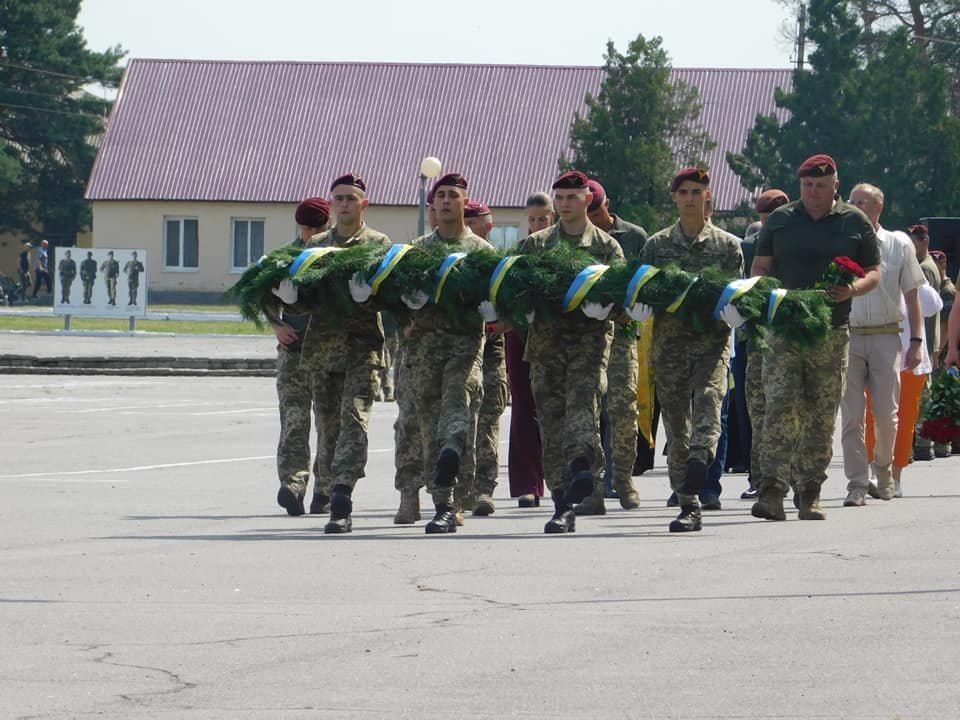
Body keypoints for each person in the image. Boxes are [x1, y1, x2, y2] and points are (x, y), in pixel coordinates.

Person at [748, 154, 881, 522]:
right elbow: (760, 268)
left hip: (830, 332)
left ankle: (810, 492)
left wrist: (852, 289)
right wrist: (766, 292)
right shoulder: (781, 219)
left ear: (835, 186)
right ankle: (771, 491)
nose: (814, 192)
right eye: (808, 185)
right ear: (799, 186)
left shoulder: (854, 222)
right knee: (778, 408)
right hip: (785, 330)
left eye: (821, 185)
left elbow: (874, 272)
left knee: (821, 414)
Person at [516, 170, 624, 534]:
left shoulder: (606, 247)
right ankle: (562, 502)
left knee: (583, 413)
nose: (564, 204)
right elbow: (515, 288)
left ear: (587, 200)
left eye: (572, 198)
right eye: (559, 198)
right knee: (551, 426)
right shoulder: (536, 245)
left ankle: (582, 468)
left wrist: (608, 308)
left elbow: (622, 294)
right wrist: (523, 310)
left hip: (588, 346)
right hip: (546, 348)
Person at [639, 168, 743, 532]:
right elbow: (644, 288)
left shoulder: (727, 245)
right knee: (676, 425)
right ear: (674, 197)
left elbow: (736, 291)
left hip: (711, 344)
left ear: (707, 196)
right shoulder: (656, 245)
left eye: (696, 191)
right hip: (669, 348)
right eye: (683, 191)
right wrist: (641, 306)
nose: (689, 198)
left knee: (711, 405)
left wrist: (737, 311)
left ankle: (701, 462)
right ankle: (687, 503)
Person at [400, 172, 493, 534]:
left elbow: (497, 292)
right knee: (428, 426)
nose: (445, 201)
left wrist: (493, 309)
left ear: (464, 202)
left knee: (457, 406)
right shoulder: (418, 248)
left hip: (464, 345)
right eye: (440, 196)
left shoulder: (481, 251)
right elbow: (397, 294)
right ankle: (444, 505)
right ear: (433, 204)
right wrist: (406, 307)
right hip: (423, 351)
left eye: (453, 196)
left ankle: (451, 471)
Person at [301, 172, 393, 534]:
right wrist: (292, 296)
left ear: (363, 204)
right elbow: (303, 291)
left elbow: (391, 294)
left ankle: (342, 495)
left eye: (350, 198)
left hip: (362, 348)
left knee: (354, 421)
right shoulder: (317, 244)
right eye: (338, 198)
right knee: (327, 429)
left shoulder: (378, 243)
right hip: (322, 351)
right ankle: (327, 485)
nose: (343, 204)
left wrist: (370, 295)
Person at [840, 183, 924, 506]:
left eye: (863, 202)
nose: (856, 206)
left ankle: (884, 469)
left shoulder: (898, 243)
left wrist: (916, 341)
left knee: (887, 414)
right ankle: (858, 482)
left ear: (879, 207)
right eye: (852, 201)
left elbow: (913, 295)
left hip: (887, 335)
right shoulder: (840, 242)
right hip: (849, 335)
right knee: (852, 416)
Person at [575, 178, 647, 514]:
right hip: (586, 337)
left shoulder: (633, 237)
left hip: (622, 334)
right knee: (588, 412)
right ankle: (593, 485)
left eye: (595, 210)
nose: (590, 217)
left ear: (606, 205)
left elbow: (641, 283)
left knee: (622, 410)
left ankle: (623, 479)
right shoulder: (572, 238)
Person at [268, 196, 333, 517]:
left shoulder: (336, 255)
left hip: (329, 350)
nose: (309, 234)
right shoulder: (285, 257)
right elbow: (259, 296)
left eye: (316, 228)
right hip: (293, 350)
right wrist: (278, 325)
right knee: (293, 420)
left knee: (328, 420)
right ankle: (293, 485)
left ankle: (325, 490)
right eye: (305, 228)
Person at [863, 283, 942, 498]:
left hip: (912, 362)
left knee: (905, 421)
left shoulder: (915, 282)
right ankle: (876, 473)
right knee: (874, 417)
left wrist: (917, 277)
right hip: (880, 359)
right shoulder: (876, 277)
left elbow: (935, 305)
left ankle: (895, 477)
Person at [738, 189, 789, 501]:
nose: (767, 225)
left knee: (789, 408)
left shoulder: (800, 242)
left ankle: (789, 473)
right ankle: (759, 477)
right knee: (757, 407)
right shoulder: (749, 246)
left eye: (772, 219)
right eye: (763, 220)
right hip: (758, 337)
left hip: (792, 335)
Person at [503, 193, 551, 508]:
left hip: (558, 338)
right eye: (531, 219)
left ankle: (568, 480)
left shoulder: (564, 250)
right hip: (521, 335)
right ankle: (527, 484)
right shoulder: (519, 254)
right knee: (523, 407)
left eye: (542, 219)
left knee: (558, 408)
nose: (536, 226)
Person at [461, 200, 508, 517]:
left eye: (472, 220)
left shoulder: (498, 262)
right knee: (461, 421)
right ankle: (460, 487)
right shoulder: (452, 259)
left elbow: (515, 309)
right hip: (460, 350)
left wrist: (497, 321)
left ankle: (483, 489)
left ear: (487, 226)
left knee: (488, 420)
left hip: (491, 351)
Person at [907, 224, 941, 461]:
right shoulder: (924, 265)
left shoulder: (923, 269)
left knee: (922, 394)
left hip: (923, 336)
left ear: (923, 242)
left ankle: (922, 442)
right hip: (925, 337)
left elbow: (926, 306)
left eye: (913, 243)